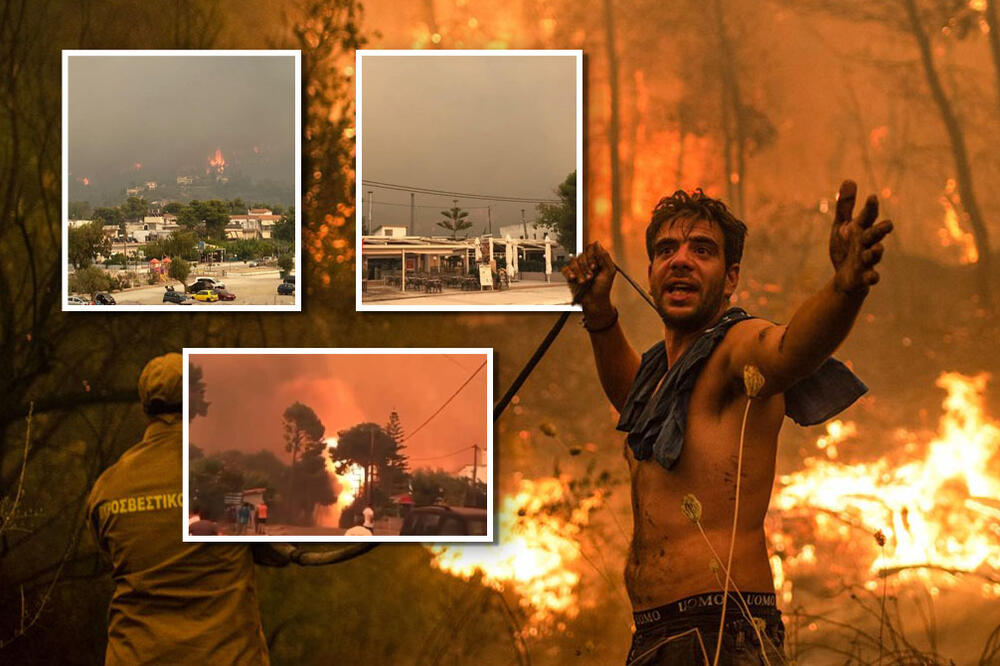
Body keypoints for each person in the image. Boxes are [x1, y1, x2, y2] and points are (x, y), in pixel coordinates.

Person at [562, 182, 892, 664]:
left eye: (702, 250)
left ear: (731, 276)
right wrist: (599, 313)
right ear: (651, 273)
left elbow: (786, 352)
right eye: (665, 250)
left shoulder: (735, 346)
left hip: (722, 627)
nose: (680, 260)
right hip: (655, 632)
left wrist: (845, 287)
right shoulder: (661, 374)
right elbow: (630, 399)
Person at [86, 353, 271, 665]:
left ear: (145, 407)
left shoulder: (109, 485)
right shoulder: (231, 475)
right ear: (198, 403)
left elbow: (111, 555)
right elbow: (268, 547)